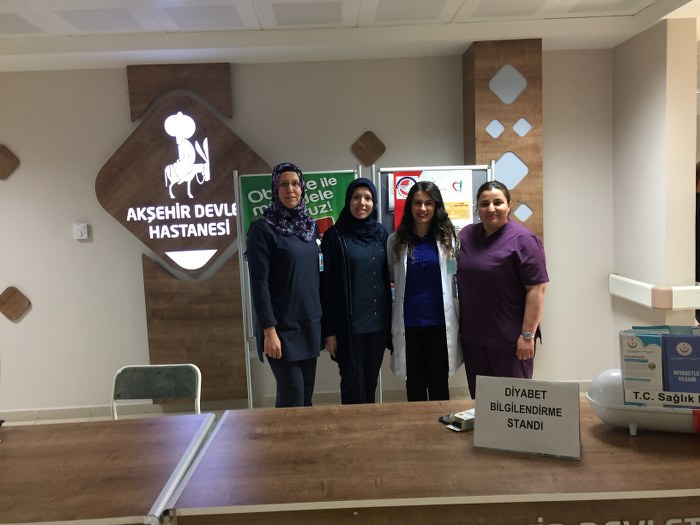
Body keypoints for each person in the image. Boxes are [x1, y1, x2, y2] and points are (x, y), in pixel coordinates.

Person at [456, 180, 548, 399]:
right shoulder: (466, 235)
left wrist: (527, 335)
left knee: (512, 402)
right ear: (477, 208)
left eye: (498, 202)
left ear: (509, 205)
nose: (491, 209)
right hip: (474, 337)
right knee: (483, 399)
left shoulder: (524, 240)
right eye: (484, 203)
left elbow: (537, 290)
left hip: (510, 339)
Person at [246, 162, 322, 407]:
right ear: (275, 189)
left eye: (295, 183)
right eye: (284, 184)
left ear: (302, 188)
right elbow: (259, 285)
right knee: (293, 397)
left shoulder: (310, 228)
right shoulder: (262, 229)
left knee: (305, 398)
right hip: (280, 330)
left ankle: (292, 434)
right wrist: (269, 331)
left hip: (308, 325)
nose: (291, 189)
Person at [387, 181, 462, 401]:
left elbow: (453, 276)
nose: (422, 208)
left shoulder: (449, 239)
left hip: (439, 323)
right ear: (410, 206)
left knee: (439, 387)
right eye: (417, 203)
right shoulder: (396, 241)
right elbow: (391, 276)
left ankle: (441, 424)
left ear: (436, 206)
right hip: (409, 325)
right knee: (415, 387)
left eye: (429, 203)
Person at [320, 178, 392, 404]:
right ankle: (352, 426)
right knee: (352, 382)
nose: (362, 203)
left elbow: (387, 276)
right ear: (348, 200)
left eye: (368, 198)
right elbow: (325, 287)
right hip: (348, 327)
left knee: (370, 383)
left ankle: (369, 426)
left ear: (374, 203)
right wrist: (329, 331)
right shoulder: (334, 237)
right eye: (356, 197)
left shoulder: (381, 233)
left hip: (377, 325)